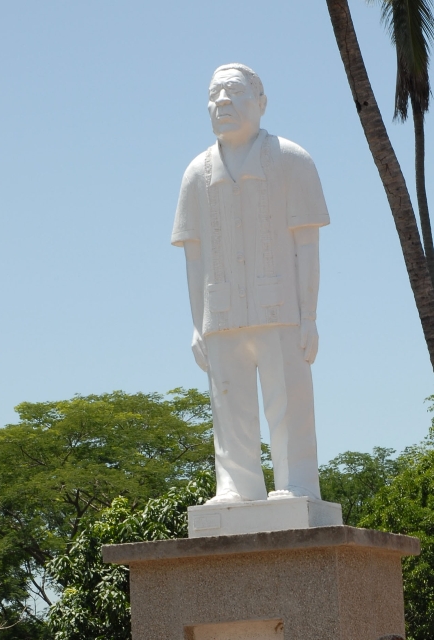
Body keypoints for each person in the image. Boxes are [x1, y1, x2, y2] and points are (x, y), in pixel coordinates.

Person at [172, 63, 330, 503]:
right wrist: (197, 324)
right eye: (214, 94)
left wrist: (310, 315)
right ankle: (235, 487)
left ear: (261, 103)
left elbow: (307, 245)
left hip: (281, 310)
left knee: (289, 403)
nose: (222, 100)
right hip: (220, 313)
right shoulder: (196, 173)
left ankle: (298, 483)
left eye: (234, 91)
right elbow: (193, 258)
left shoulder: (291, 160)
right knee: (228, 406)